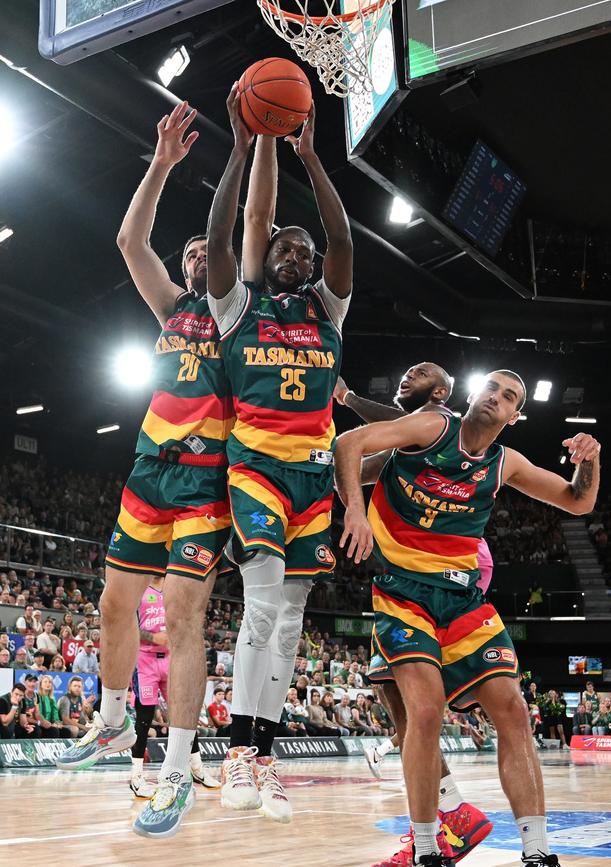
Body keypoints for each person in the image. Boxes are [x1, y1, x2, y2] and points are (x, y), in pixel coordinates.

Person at [335, 369, 600, 866]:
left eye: (509, 397)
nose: (496, 398)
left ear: (515, 415)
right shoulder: (434, 425)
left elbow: (578, 500)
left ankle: (538, 851)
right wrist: (353, 509)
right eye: (492, 388)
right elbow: (348, 443)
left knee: (514, 710)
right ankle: (428, 849)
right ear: (473, 394)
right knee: (425, 711)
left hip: (462, 599)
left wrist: (591, 461)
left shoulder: (506, 463)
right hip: (404, 592)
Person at [55, 102, 233, 840]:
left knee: (185, 620)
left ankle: (177, 769)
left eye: (204, 252)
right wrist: (161, 163)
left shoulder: (239, 317)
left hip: (206, 483)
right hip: (147, 474)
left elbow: (235, 237)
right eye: (188, 252)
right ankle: (113, 718)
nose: (195, 258)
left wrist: (244, 154)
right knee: (111, 605)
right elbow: (130, 239)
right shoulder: (170, 312)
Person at [206, 87, 352, 824]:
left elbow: (344, 243)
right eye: (285, 248)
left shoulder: (327, 308)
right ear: (269, 258)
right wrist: (240, 149)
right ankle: (235, 750)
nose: (297, 255)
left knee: (291, 625)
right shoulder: (239, 304)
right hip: (258, 471)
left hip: (315, 482)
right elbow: (232, 233)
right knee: (261, 611)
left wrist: (312, 159)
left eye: (306, 250)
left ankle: (266, 758)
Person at [336, 366, 494, 865]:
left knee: (415, 705)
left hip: (442, 570)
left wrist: (351, 398)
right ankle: (451, 812)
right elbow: (359, 464)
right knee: (394, 699)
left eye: (423, 372)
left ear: (444, 393)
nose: (409, 374)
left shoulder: (440, 421)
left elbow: (385, 430)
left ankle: (439, 824)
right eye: (406, 371)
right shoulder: (408, 446)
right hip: (414, 571)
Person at [130, 579, 220, 799]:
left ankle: (197, 768)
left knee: (184, 717)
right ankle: (136, 777)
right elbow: (127, 626)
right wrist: (153, 637)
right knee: (144, 718)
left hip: (172, 659)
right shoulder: (138, 587)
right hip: (145, 660)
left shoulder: (175, 586)